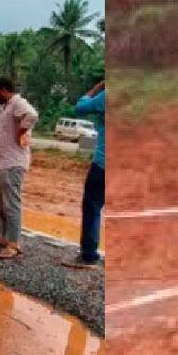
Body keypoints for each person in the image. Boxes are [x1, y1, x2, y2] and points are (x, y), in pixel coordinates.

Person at [0, 77, 39, 259]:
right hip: (1, 162)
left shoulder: (18, 102)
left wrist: (22, 132)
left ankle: (14, 243)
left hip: (13, 163)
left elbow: (32, 115)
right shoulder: (7, 106)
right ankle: (4, 236)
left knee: (11, 204)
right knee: (1, 203)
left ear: (5, 90)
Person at [63, 80, 105, 269]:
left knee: (92, 207)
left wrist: (97, 87)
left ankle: (88, 255)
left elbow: (79, 108)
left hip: (104, 163)